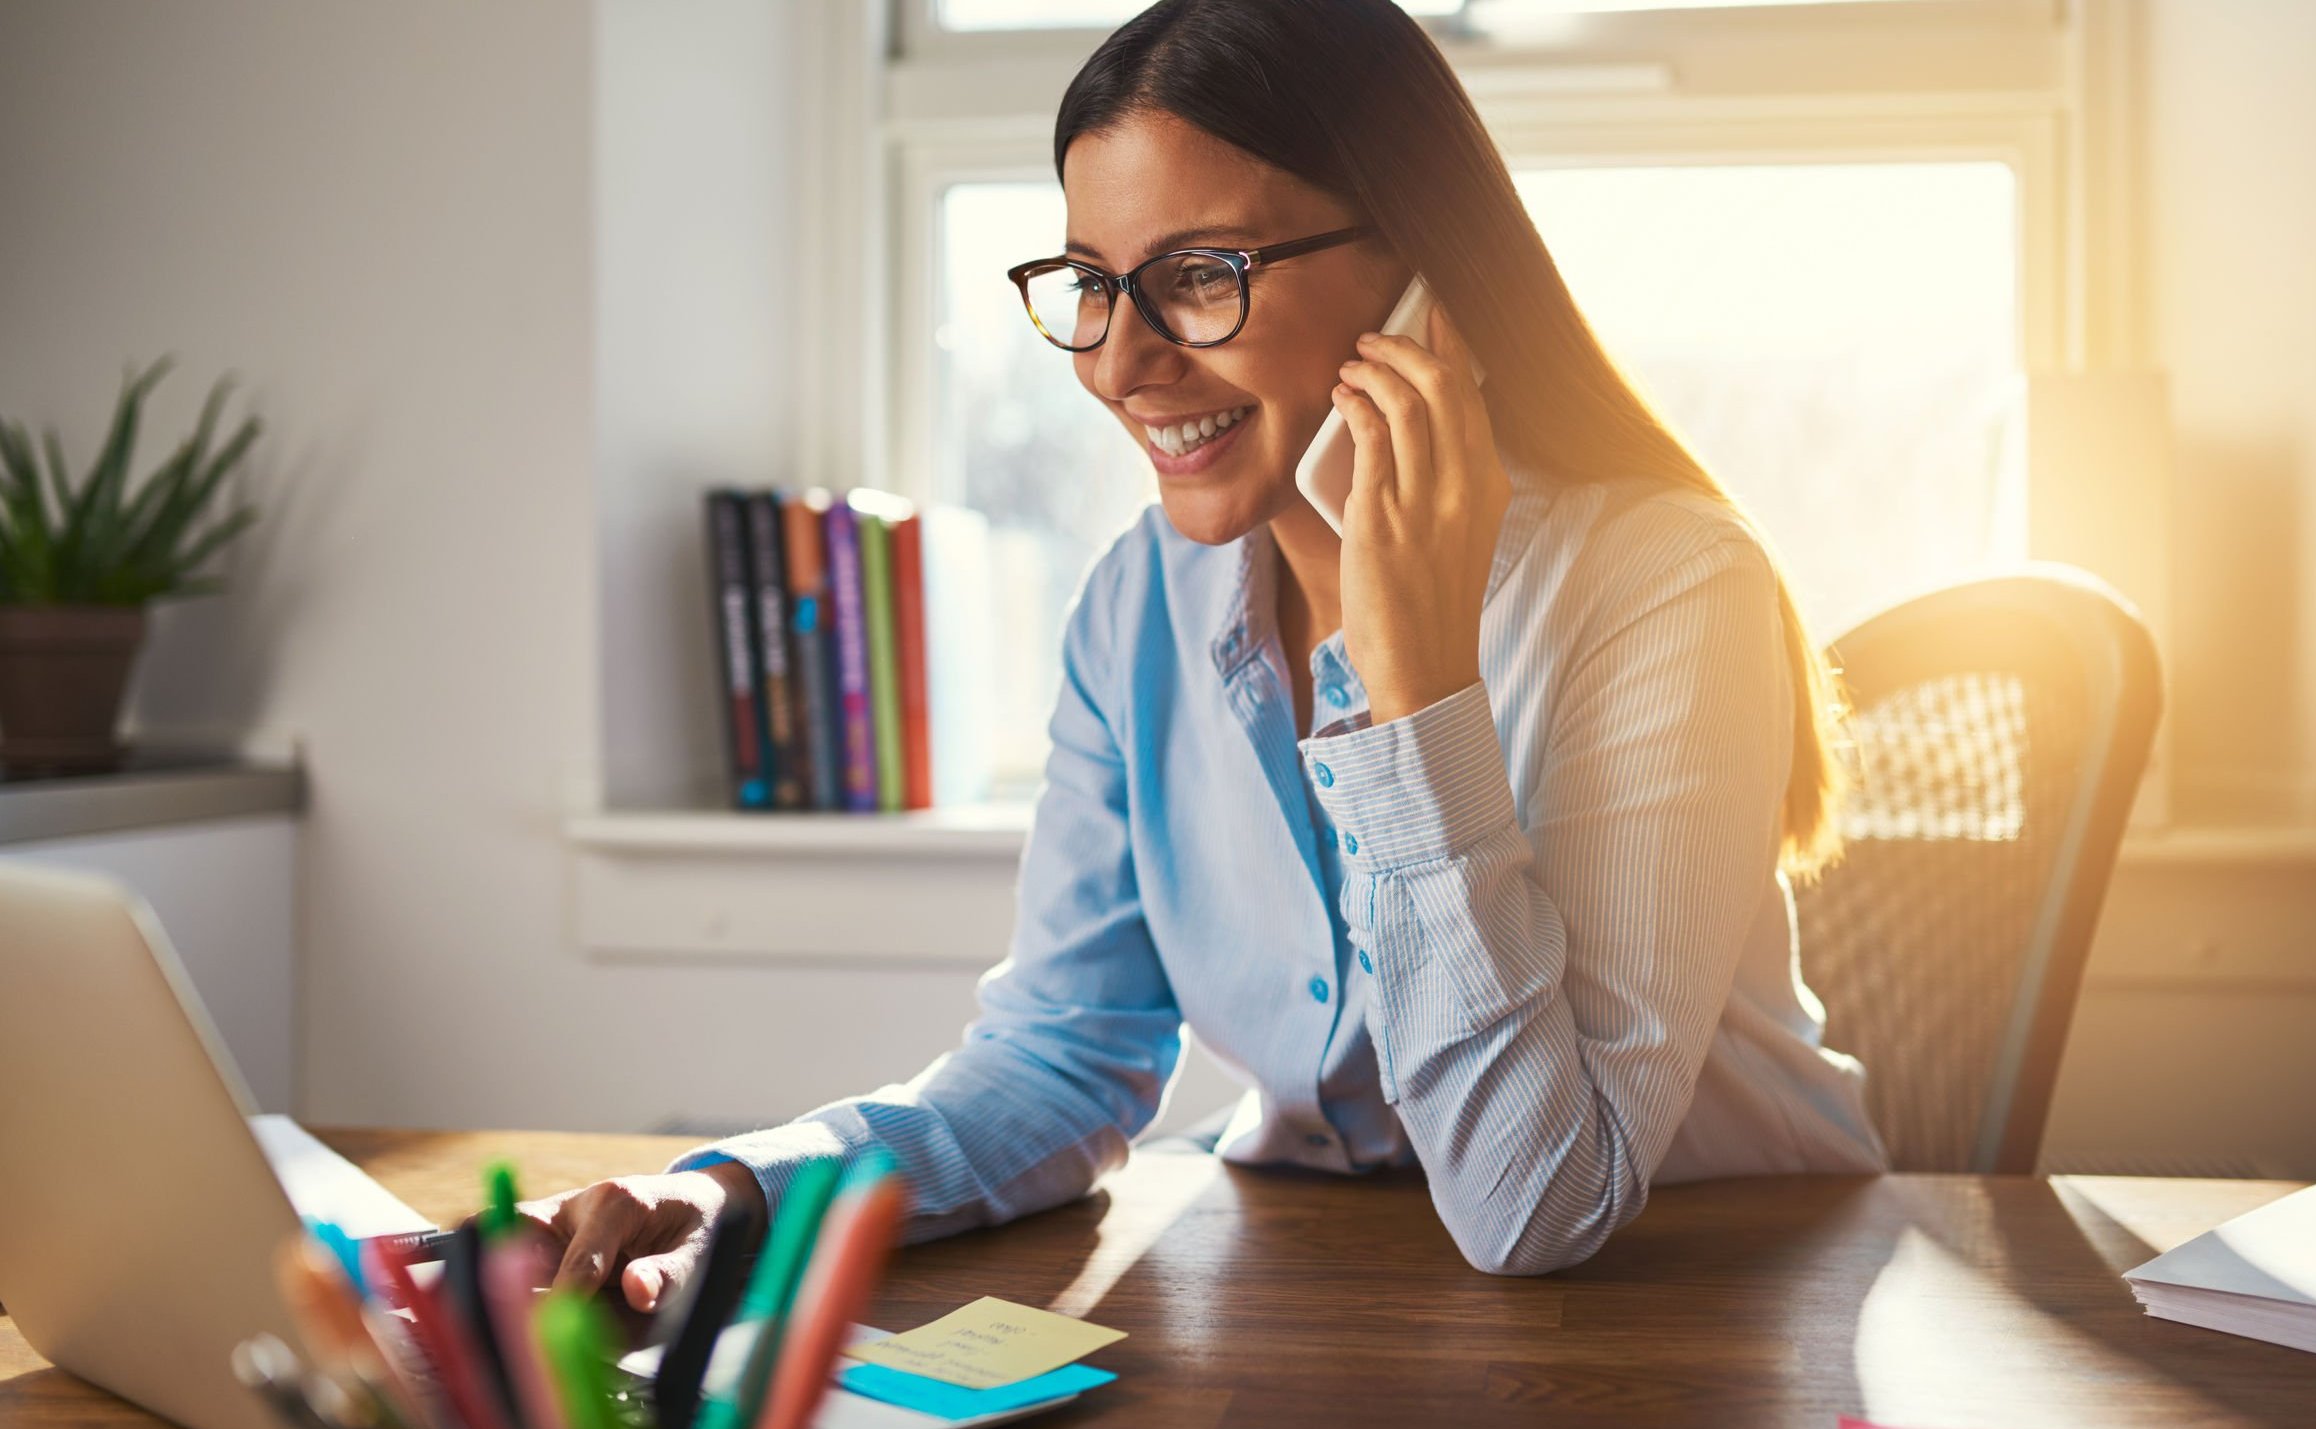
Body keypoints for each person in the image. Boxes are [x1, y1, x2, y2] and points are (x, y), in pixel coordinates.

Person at [521, 0, 1885, 1292]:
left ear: (1423, 277)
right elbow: (1059, 1061)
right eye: (1090, 285)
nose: (1119, 365)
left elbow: (1538, 1202)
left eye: (1198, 276)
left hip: (1712, 1301)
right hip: (1341, 1295)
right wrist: (731, 1199)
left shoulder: (1659, 585)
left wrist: (1415, 693)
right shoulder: (1140, 606)